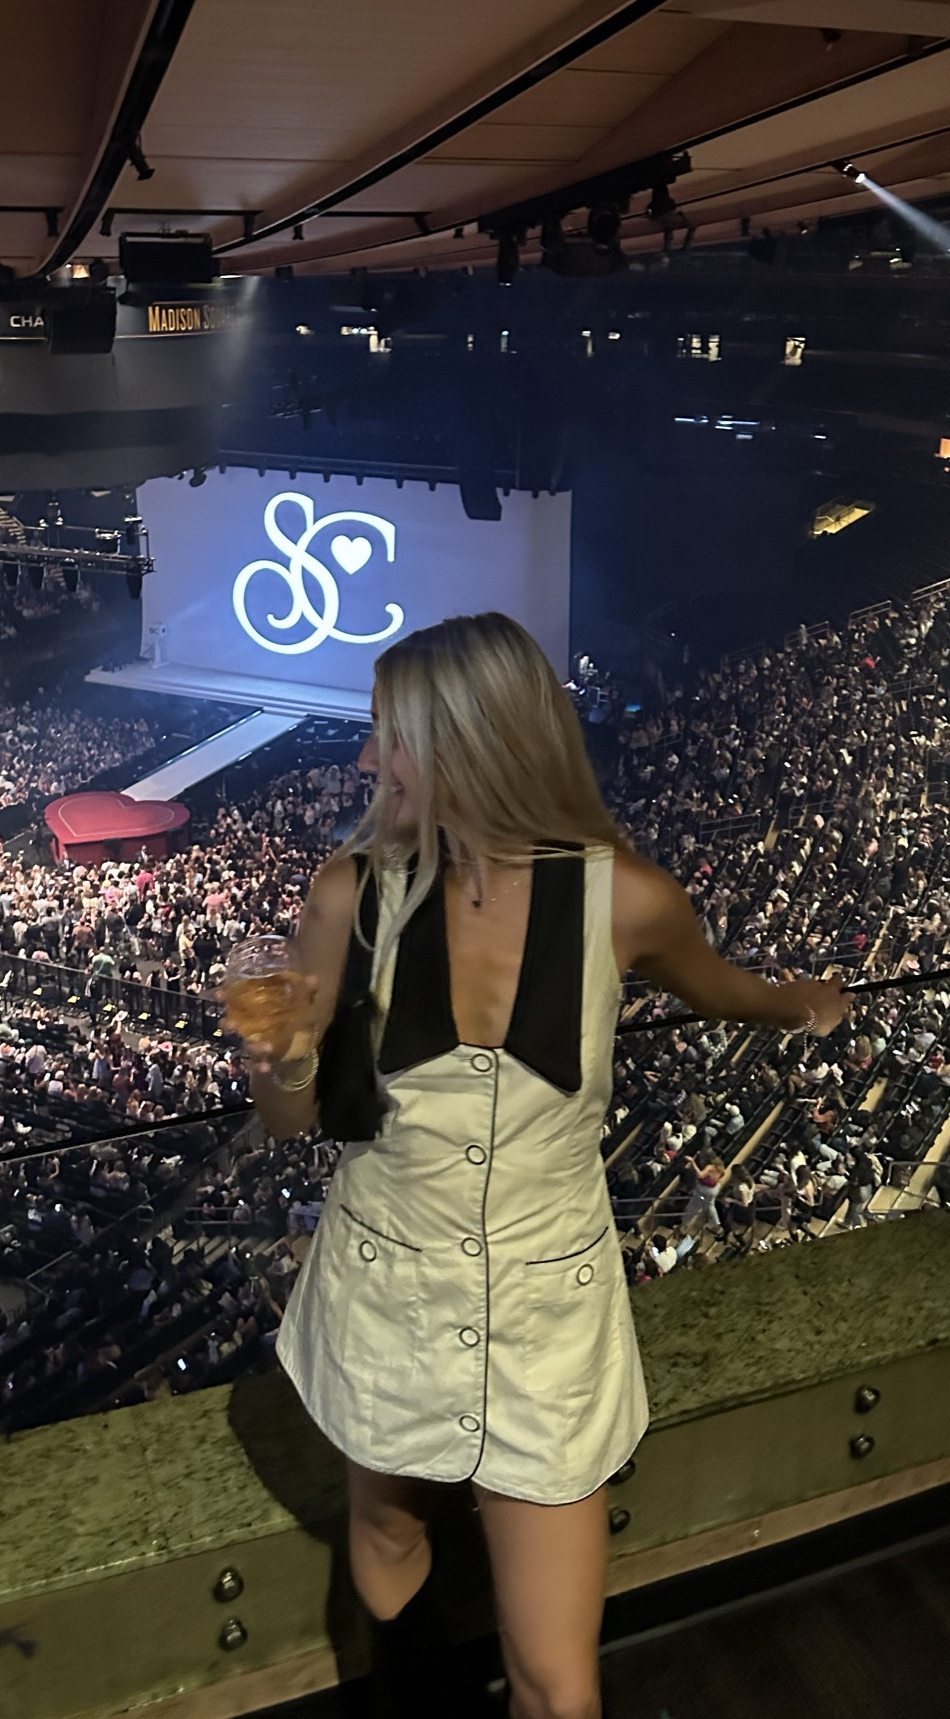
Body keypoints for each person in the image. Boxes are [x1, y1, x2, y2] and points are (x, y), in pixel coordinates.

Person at [238, 612, 850, 1719]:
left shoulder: (627, 897)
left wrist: (800, 1001)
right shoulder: (349, 893)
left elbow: (717, 986)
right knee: (383, 1526)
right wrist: (276, 1059)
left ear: (473, 738)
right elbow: (290, 1118)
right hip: (388, 1286)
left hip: (548, 1313)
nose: (367, 759)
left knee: (560, 1688)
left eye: (392, 734)